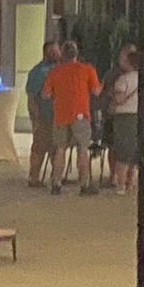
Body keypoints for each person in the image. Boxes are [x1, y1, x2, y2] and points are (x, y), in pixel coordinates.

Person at [42, 40, 103, 196]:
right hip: (81, 114)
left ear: (62, 54)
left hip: (60, 115)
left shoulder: (54, 72)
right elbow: (96, 92)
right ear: (77, 53)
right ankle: (84, 184)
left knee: (60, 149)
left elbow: (46, 94)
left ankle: (56, 183)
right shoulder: (87, 69)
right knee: (83, 149)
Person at [106, 44, 144, 193]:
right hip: (141, 117)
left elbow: (119, 100)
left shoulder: (123, 80)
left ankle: (121, 184)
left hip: (125, 118)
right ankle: (131, 181)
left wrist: (111, 96)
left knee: (123, 153)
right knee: (136, 152)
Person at [25, 40, 61, 188]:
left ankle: (55, 177)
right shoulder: (38, 72)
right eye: (54, 51)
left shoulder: (61, 70)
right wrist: (35, 118)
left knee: (56, 147)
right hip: (44, 116)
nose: (57, 53)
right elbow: (32, 97)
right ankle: (34, 177)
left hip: (59, 117)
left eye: (57, 50)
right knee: (40, 147)